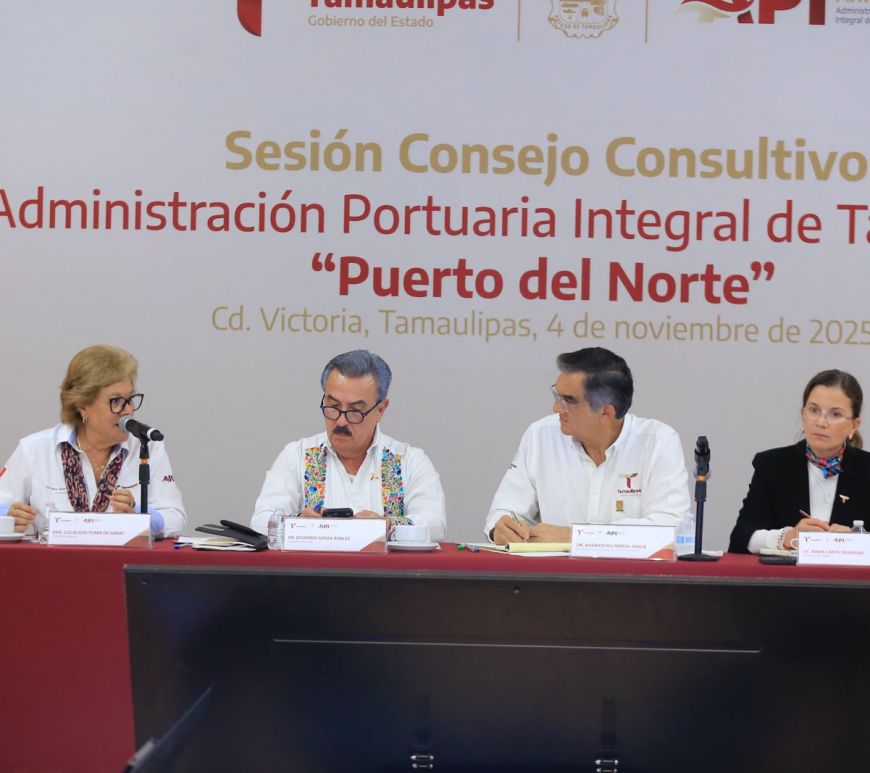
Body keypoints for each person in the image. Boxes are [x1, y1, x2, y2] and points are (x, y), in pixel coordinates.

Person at [485, 347, 691, 544]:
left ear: (606, 412)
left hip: (629, 570)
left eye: (568, 401)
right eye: (557, 395)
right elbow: (505, 511)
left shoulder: (658, 442)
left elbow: (671, 529)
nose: (556, 408)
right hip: (554, 569)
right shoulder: (540, 436)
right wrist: (500, 529)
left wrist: (576, 537)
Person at [251, 350, 446, 540]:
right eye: (333, 406)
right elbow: (260, 522)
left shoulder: (409, 461)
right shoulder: (297, 456)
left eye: (355, 411)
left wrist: (388, 526)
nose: (341, 421)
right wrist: (299, 523)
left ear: (380, 410)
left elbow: (435, 525)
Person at [0, 345, 186, 537]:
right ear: (82, 405)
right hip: (54, 556)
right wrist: (9, 517)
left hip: (123, 556)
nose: (128, 410)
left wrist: (138, 516)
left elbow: (176, 517)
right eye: (116, 401)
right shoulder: (34, 449)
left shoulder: (147, 447)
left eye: (130, 399)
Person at [728, 369, 869, 554]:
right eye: (814, 410)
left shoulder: (866, 469)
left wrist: (858, 541)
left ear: (854, 425)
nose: (821, 422)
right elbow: (740, 539)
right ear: (803, 414)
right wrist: (787, 537)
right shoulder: (772, 465)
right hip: (787, 573)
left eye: (835, 414)